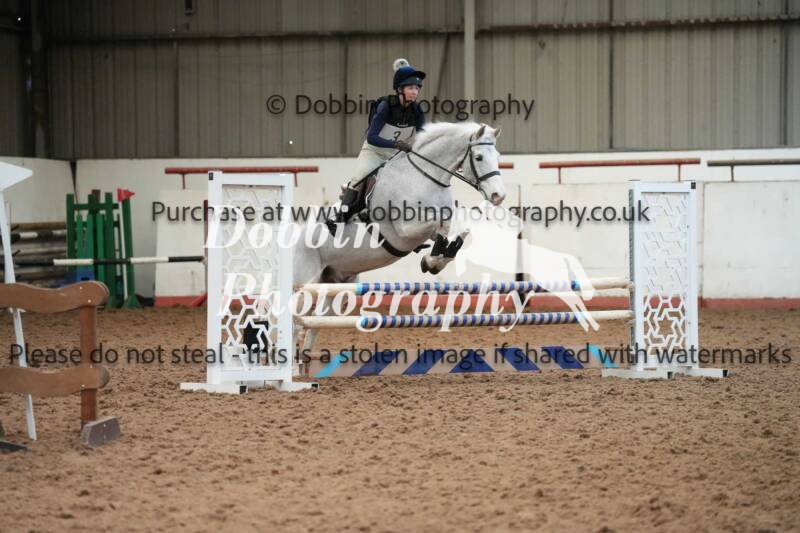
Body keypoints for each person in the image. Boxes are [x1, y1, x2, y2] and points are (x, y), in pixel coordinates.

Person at [328, 58, 427, 229]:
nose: (415, 92)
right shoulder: (385, 106)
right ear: (400, 89)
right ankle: (340, 218)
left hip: (397, 157)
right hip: (374, 152)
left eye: (417, 88)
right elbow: (372, 137)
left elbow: (424, 136)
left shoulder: (417, 110)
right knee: (359, 178)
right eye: (411, 88)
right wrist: (397, 144)